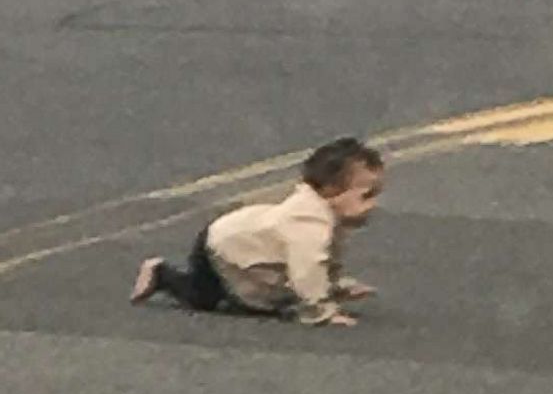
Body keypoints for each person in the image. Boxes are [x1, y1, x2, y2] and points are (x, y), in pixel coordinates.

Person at [130, 137, 384, 327]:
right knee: (204, 297)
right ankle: (161, 273)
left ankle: (176, 278)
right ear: (331, 192)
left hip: (244, 240)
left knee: (259, 297)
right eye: (366, 196)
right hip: (223, 245)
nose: (373, 204)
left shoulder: (323, 218)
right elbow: (308, 268)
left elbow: (326, 259)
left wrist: (334, 285)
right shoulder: (307, 226)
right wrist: (321, 311)